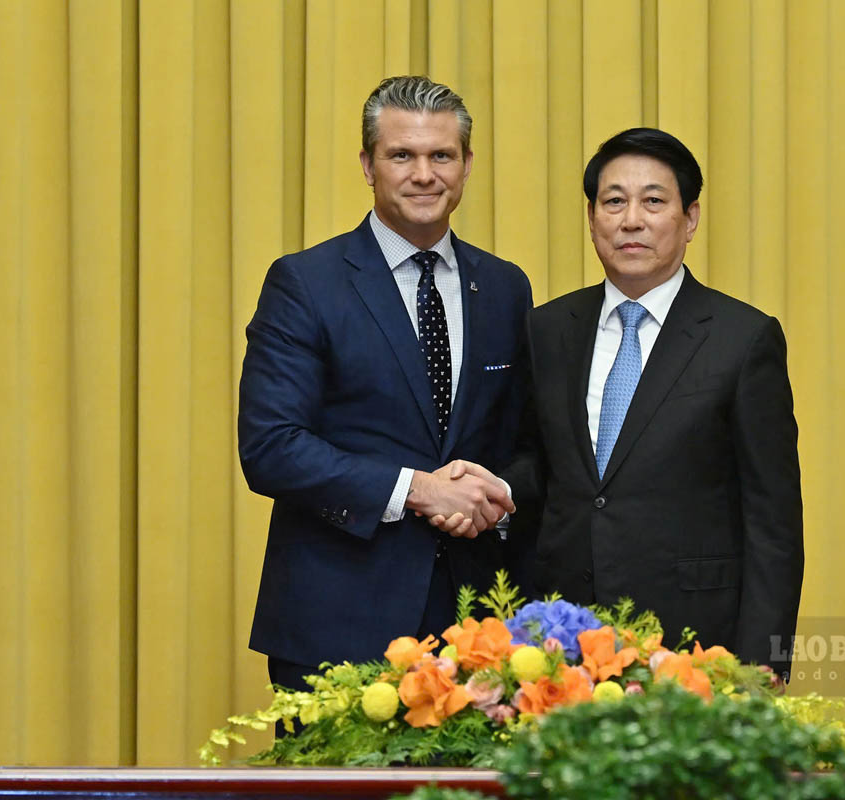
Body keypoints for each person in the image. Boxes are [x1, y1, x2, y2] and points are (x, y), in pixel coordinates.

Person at [437, 128, 803, 680]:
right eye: (614, 201)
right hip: (560, 637)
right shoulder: (548, 328)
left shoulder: (743, 338)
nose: (631, 219)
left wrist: (763, 662)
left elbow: (773, 518)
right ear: (592, 220)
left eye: (654, 201)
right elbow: (539, 458)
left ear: (691, 218)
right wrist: (499, 488)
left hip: (694, 638)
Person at [238, 76, 532, 694]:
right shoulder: (305, 283)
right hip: (338, 629)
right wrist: (419, 490)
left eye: (441, 156)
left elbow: (527, 440)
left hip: (478, 633)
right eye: (402, 155)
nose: (424, 174)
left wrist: (494, 490)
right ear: (369, 164)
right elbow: (271, 446)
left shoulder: (506, 288)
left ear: (467, 164)